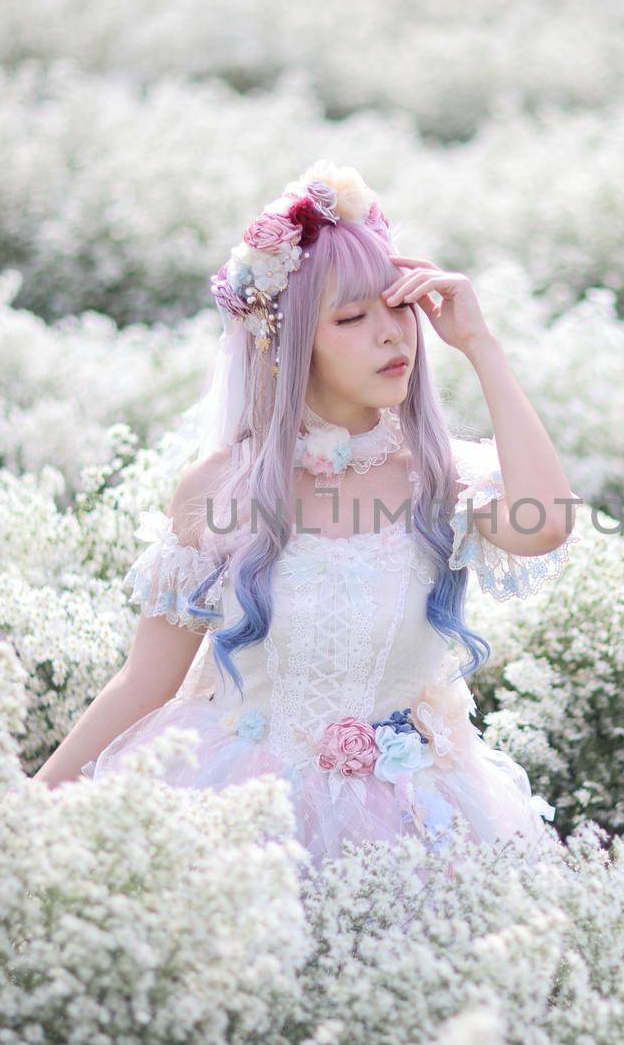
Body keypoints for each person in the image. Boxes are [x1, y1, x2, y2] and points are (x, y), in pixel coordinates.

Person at [35, 160, 580, 866]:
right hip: (239, 811)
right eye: (353, 316)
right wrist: (29, 805)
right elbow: (145, 682)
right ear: (287, 343)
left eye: (398, 306)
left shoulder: (441, 476)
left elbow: (546, 525)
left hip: (420, 821)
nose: (392, 334)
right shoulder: (221, 489)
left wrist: (481, 345)